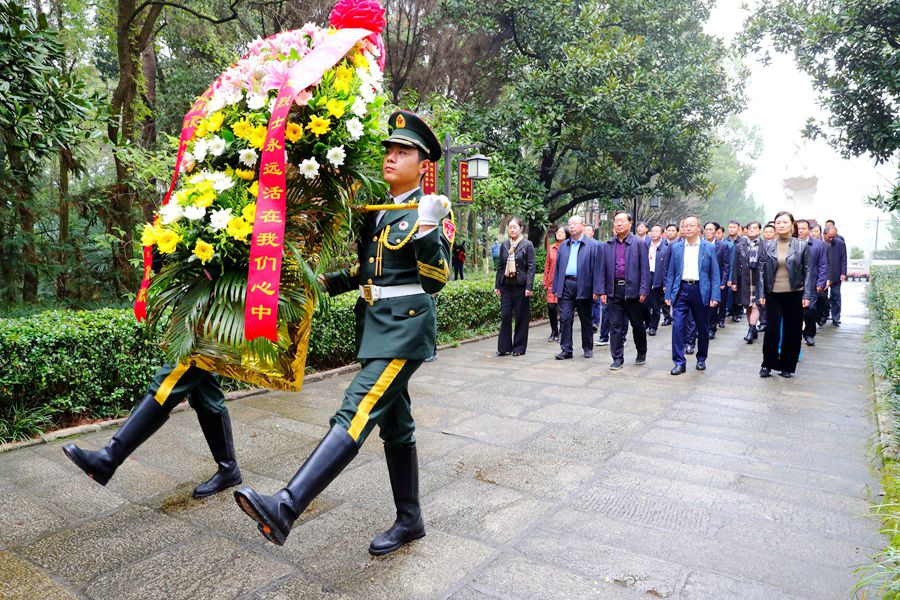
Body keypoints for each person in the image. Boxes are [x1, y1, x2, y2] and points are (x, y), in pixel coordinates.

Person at [233, 110, 452, 553]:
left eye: (403, 151)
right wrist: (314, 285)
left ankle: (287, 506)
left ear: (423, 165)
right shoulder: (378, 212)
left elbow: (437, 280)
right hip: (376, 327)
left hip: (405, 329)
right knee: (397, 426)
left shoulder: (430, 211)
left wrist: (429, 227)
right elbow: (364, 273)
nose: (391, 157)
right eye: (389, 150)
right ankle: (410, 519)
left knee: (355, 410)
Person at [63, 363, 243, 499]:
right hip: (207, 330)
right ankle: (228, 468)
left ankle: (108, 459)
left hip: (210, 332)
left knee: (168, 383)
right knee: (205, 394)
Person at [758, 211, 813, 378]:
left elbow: (808, 271)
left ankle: (787, 366)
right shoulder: (767, 245)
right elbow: (761, 270)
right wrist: (761, 293)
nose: (781, 225)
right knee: (772, 330)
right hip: (773, 294)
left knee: (792, 330)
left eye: (785, 222)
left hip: (795, 293)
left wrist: (806, 295)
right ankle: (767, 364)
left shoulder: (802, 245)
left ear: (792, 225)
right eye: (778, 222)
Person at [665, 215, 720, 375]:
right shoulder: (676, 247)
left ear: (698, 228)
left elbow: (714, 273)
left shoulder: (708, 247)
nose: (688, 228)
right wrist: (668, 294)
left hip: (700, 290)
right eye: (685, 226)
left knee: (702, 327)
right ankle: (679, 362)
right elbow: (671, 273)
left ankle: (701, 358)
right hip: (681, 290)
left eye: (691, 225)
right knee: (677, 327)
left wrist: (715, 296)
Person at [597, 211, 650, 370]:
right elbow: (602, 269)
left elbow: (645, 269)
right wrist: (602, 291)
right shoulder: (608, 245)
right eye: (616, 221)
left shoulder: (639, 243)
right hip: (614, 290)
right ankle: (617, 358)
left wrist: (643, 290)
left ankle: (641, 352)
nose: (619, 224)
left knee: (637, 325)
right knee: (615, 326)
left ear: (630, 223)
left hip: (633, 291)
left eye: (622, 221)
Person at [553, 215, 600, 359]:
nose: (571, 226)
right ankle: (566, 349)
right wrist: (556, 288)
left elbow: (597, 269)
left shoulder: (592, 245)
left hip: (584, 285)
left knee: (585, 318)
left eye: (575, 223)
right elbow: (558, 268)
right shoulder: (564, 246)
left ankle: (587, 347)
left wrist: (597, 290)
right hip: (566, 285)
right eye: (569, 224)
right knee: (565, 318)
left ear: (582, 226)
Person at [495, 218, 536, 356]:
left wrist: (529, 287)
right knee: (505, 315)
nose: (512, 229)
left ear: (520, 228)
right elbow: (500, 267)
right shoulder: (505, 245)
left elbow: (531, 267)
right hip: (506, 286)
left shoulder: (527, 245)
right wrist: (497, 285)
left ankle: (519, 348)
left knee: (521, 317)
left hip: (521, 286)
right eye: (510, 227)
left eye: (515, 227)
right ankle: (504, 347)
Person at [731, 221, 764, 343]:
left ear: (759, 230)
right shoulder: (740, 246)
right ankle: (752, 328)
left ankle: (751, 330)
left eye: (755, 228)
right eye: (750, 228)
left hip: (759, 280)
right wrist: (734, 281)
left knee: (756, 305)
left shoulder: (765, 245)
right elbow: (735, 265)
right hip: (744, 280)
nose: (752, 230)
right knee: (748, 306)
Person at [797, 219, 827, 346]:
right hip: (795, 283)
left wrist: (821, 282)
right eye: (798, 228)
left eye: (803, 228)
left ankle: (809, 334)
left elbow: (823, 265)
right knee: (796, 310)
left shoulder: (818, 245)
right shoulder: (792, 243)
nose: (800, 230)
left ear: (808, 229)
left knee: (810, 309)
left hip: (812, 283)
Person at [703, 222, 730, 339]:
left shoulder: (723, 246)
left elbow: (726, 266)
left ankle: (711, 328)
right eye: (706, 229)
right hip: (702, 280)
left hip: (716, 281)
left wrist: (723, 282)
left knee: (713, 306)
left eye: (711, 230)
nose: (708, 232)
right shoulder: (700, 244)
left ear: (716, 231)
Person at [543, 226, 568, 342]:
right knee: (551, 307)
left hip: (564, 283)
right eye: (557, 232)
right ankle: (554, 331)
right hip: (552, 282)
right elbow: (547, 266)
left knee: (563, 309)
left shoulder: (569, 246)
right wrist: (545, 281)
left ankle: (563, 331)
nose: (559, 234)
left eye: (561, 232)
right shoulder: (551, 248)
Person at [644, 224, 669, 336]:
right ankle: (648, 322)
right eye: (652, 231)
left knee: (655, 306)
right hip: (646, 276)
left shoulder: (666, 249)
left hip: (658, 277)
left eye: (657, 231)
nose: (654, 233)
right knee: (644, 304)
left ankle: (653, 326)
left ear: (662, 234)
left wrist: (665, 283)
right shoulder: (645, 246)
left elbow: (666, 268)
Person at [823, 225, 847, 326]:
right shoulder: (820, 244)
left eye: (834, 236)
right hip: (823, 275)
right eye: (829, 237)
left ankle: (836, 317)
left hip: (836, 274)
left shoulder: (840, 243)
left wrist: (843, 273)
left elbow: (843, 259)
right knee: (822, 297)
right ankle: (823, 316)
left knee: (836, 296)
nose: (831, 239)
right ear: (824, 235)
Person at [810, 224, 831, 325]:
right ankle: (816, 318)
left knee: (823, 298)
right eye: (812, 231)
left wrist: (828, 278)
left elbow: (828, 263)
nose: (814, 233)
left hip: (822, 277)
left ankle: (824, 315)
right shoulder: (806, 244)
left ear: (820, 233)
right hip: (811, 278)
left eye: (816, 231)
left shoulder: (825, 245)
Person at [724, 220, 744, 322]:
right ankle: (728, 311)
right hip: (726, 269)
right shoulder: (724, 241)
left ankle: (736, 313)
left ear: (738, 228)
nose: (732, 229)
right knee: (727, 292)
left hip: (738, 271)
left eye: (734, 227)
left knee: (737, 293)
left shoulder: (742, 242)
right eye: (730, 227)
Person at [584, 224, 602, 333]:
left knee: (596, 301)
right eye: (584, 230)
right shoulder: (581, 244)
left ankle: (595, 322)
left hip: (595, 277)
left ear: (593, 233)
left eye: (588, 230)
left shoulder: (597, 245)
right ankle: (588, 321)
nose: (586, 232)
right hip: (584, 278)